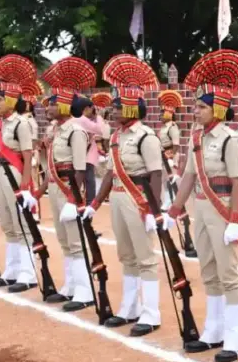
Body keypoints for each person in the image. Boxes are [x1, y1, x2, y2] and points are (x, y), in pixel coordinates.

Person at [164, 50, 238, 362]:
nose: (196, 111)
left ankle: (237, 336)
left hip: (222, 207)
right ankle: (214, 330)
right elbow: (189, 173)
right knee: (208, 270)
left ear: (218, 108)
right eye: (196, 106)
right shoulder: (195, 136)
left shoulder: (229, 139)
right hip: (200, 206)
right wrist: (173, 209)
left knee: (228, 272)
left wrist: (235, 219)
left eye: (201, 107)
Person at [83, 55, 164, 337]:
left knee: (145, 257)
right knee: (126, 255)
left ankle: (151, 313)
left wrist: (155, 211)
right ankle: (129, 308)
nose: (112, 111)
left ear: (131, 109)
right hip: (117, 198)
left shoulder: (146, 137)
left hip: (138, 200)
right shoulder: (116, 137)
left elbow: (156, 174)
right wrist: (94, 204)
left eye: (117, 107)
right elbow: (109, 173)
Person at [0, 55, 43, 292]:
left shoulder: (21, 123)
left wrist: (25, 187)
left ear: (11, 102)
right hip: (1, 174)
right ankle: (12, 270)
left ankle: (28, 273)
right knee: (8, 223)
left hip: (15, 173)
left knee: (22, 224)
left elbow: (27, 155)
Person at [37, 56, 96, 312]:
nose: (48, 107)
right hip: (54, 186)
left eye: (52, 103)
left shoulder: (75, 130)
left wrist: (74, 199)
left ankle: (85, 290)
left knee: (75, 240)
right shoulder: (57, 129)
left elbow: (81, 167)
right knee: (63, 239)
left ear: (64, 104)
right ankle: (71, 285)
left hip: (69, 188)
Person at [158, 88, 183, 209]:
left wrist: (171, 157)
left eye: (163, 112)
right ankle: (168, 199)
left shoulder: (172, 127)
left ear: (170, 113)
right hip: (163, 155)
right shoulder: (163, 127)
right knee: (164, 179)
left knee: (170, 179)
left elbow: (176, 144)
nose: (161, 115)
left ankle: (171, 200)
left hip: (170, 155)